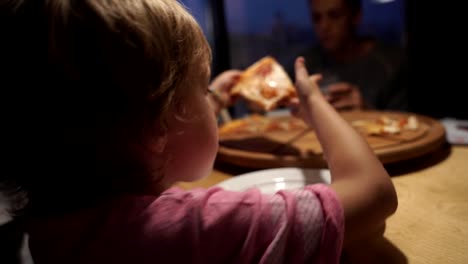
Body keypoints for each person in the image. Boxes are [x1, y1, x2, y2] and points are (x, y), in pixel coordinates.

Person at [2, 0, 396, 263]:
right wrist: (313, 103)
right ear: (160, 125)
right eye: (202, 87)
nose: (210, 98)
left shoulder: (55, 224)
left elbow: (167, 132)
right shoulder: (186, 231)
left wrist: (212, 100)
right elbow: (373, 192)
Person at [295, 0, 408, 111]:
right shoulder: (306, 64)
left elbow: (410, 121)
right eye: (316, 18)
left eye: (335, 15)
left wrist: (367, 111)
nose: (324, 26)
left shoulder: (392, 64)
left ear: (356, 16)